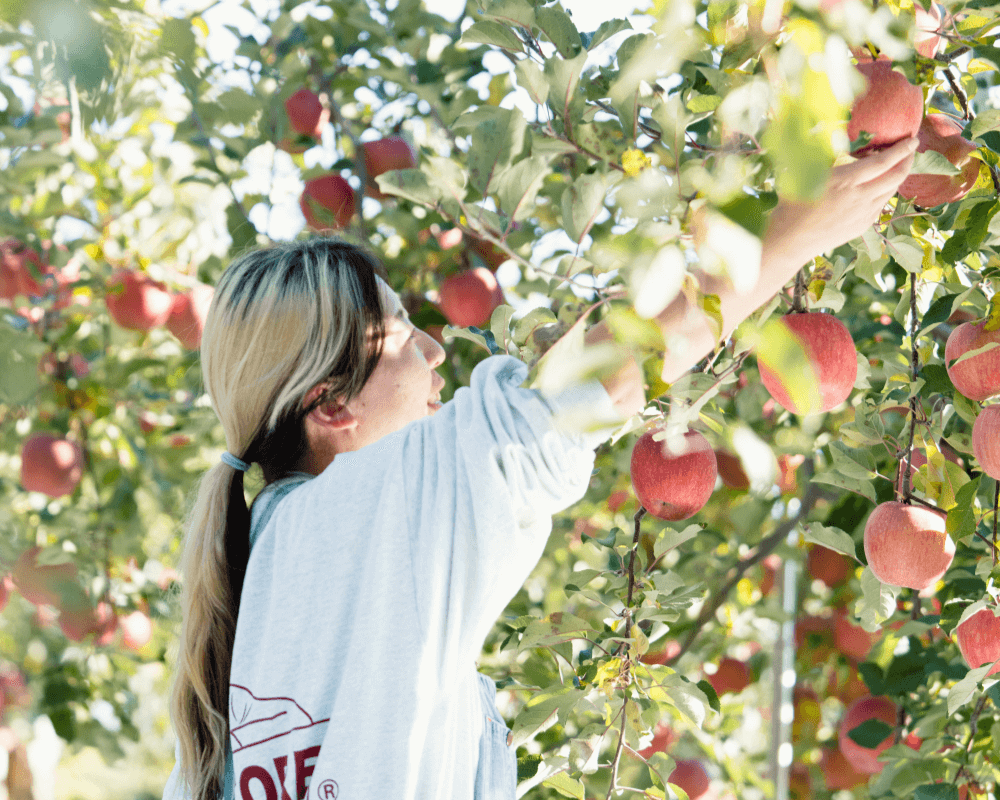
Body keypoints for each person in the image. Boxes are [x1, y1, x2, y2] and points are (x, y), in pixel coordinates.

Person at [162, 138, 918, 800]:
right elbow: (584, 390)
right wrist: (789, 234)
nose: (435, 351)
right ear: (330, 407)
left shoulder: (265, 567)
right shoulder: (367, 513)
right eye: (399, 335)